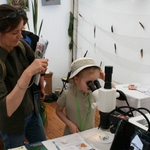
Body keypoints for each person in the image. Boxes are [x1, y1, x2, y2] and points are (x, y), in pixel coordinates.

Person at [0, 4, 48, 149]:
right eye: (15, 32)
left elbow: (35, 65)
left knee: (41, 147)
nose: (21, 36)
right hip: (13, 122)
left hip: (32, 111)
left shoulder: (20, 45)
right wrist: (28, 73)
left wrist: (40, 78)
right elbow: (6, 108)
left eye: (21, 30)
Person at [56, 57, 109, 135]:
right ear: (76, 79)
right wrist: (70, 124)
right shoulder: (66, 95)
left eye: (95, 81)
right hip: (72, 133)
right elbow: (58, 111)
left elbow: (112, 94)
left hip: (89, 133)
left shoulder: (94, 93)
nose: (92, 85)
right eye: (89, 82)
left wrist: (105, 79)